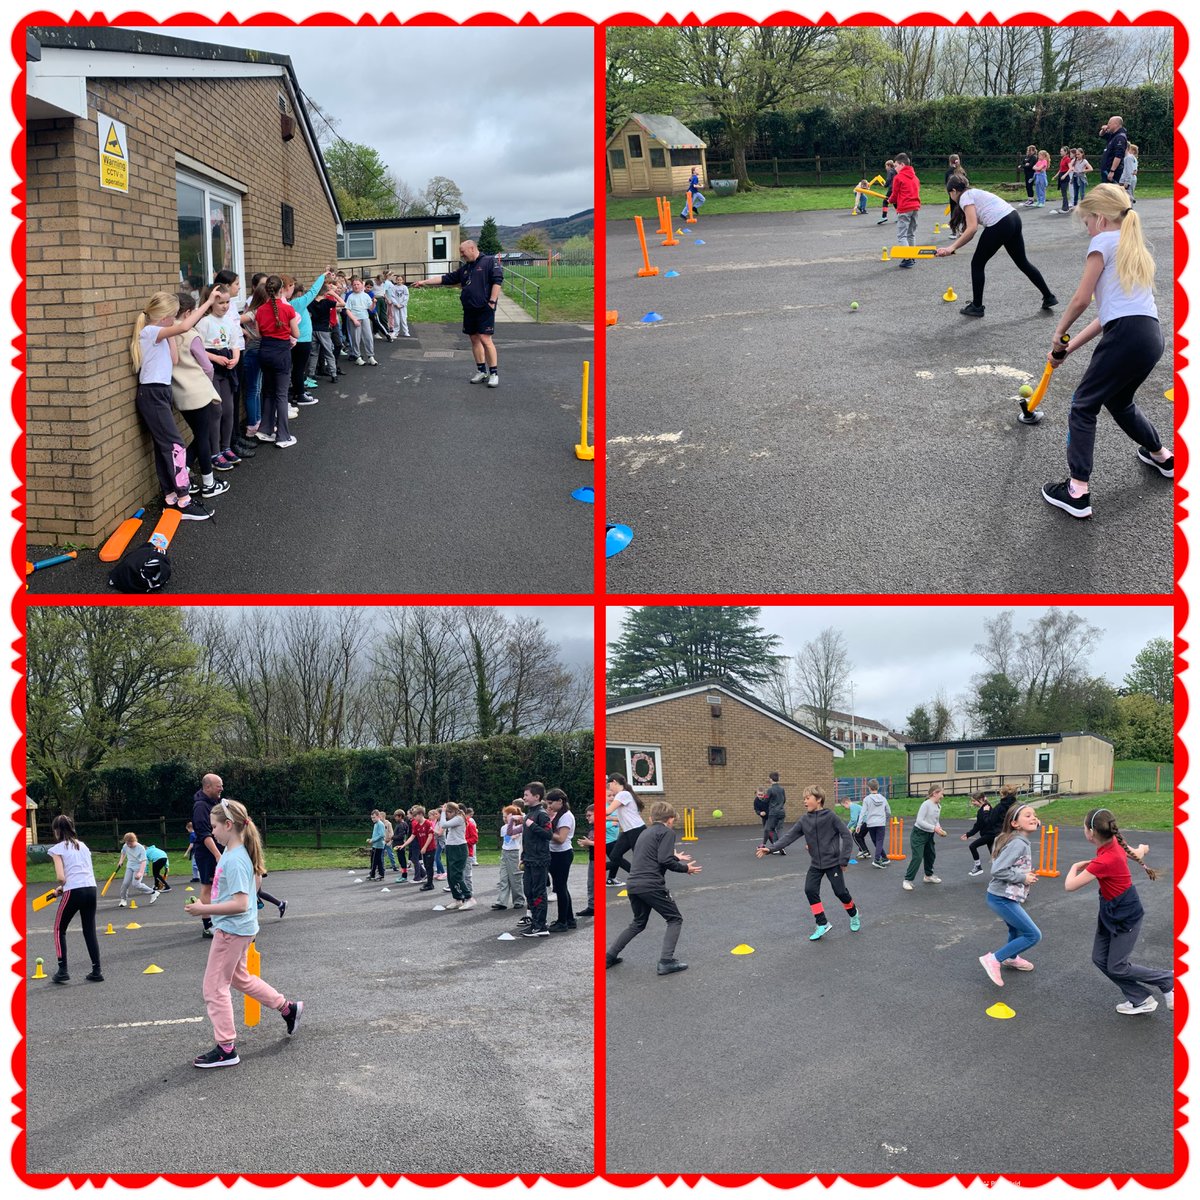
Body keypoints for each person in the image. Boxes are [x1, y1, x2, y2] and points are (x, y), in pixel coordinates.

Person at [1040, 184, 1172, 520]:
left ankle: (1077, 491)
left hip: (1125, 335)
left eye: (1086, 223)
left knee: (1084, 404)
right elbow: (1106, 315)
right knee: (1119, 400)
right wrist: (1068, 348)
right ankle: (1162, 456)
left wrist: (1059, 332)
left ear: (1099, 219)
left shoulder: (1101, 243)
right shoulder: (1131, 246)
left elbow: (1082, 300)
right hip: (1150, 336)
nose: (1087, 230)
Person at [185, 797, 303, 1067]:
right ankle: (288, 1008)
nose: (211, 831)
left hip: (232, 931)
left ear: (228, 825)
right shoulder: (233, 852)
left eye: (214, 826)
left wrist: (206, 909)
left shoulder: (236, 858)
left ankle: (227, 1048)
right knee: (240, 978)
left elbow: (241, 903)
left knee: (214, 988)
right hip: (238, 929)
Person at [1064, 807, 1174, 1015]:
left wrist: (1074, 866)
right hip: (1110, 910)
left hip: (1126, 913)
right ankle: (1140, 999)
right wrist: (1142, 849)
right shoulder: (1114, 844)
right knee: (1099, 959)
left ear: (1090, 832)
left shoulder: (1103, 861)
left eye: (1083, 826)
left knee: (1117, 966)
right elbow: (1135, 853)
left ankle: (1167, 979)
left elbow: (1070, 886)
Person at [129, 288, 220, 519]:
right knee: (176, 445)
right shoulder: (150, 331)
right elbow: (184, 326)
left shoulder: (161, 333)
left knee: (166, 447)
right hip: (152, 394)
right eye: (174, 314)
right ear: (164, 316)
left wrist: (170, 335)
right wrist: (208, 301)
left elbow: (175, 359)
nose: (177, 318)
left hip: (160, 393)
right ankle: (183, 499)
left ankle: (171, 496)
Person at [936, 174, 1058, 318]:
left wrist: (952, 248)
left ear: (954, 191)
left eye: (950, 194)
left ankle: (976, 306)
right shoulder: (975, 193)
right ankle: (1049, 296)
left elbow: (972, 228)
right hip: (1013, 217)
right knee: (1022, 262)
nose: (951, 197)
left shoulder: (965, 197)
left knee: (977, 264)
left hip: (1000, 223)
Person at [606, 800, 700, 975]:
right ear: (671, 819)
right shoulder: (667, 832)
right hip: (651, 884)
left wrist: (674, 856)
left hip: (633, 883)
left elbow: (652, 855)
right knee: (674, 919)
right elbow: (664, 860)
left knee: (638, 922)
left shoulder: (645, 833)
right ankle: (666, 961)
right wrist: (685, 868)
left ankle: (609, 956)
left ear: (650, 818)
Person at [757, 784, 860, 941]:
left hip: (832, 862)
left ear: (818, 800)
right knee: (810, 890)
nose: (804, 801)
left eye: (807, 798)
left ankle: (854, 914)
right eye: (803, 799)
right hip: (816, 863)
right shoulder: (804, 820)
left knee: (840, 892)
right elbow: (789, 836)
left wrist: (843, 859)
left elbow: (846, 836)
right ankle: (822, 923)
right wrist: (771, 849)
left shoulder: (830, 817)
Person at [412, 240, 504, 388]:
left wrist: (492, 302)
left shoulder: (489, 262)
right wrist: (424, 282)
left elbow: (497, 281)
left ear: (472, 248)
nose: (461, 255)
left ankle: (494, 373)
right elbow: (445, 278)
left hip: (484, 308)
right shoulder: (465, 268)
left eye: (463, 252)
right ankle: (481, 371)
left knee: (485, 339)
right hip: (469, 310)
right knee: (474, 339)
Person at [169, 290, 228, 503]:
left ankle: (183, 474)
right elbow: (207, 366)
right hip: (199, 393)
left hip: (179, 394)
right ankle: (209, 484)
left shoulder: (167, 332)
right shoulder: (191, 335)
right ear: (187, 313)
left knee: (198, 434)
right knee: (203, 437)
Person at [978, 802, 1042, 986]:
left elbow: (1011, 866)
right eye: (1028, 816)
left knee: (1015, 929)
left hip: (1005, 896)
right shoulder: (1018, 843)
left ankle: (1011, 957)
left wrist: (1024, 874)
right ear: (1015, 823)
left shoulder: (1015, 838)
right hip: (1001, 898)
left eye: (1035, 815)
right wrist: (1023, 877)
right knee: (1033, 935)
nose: (1034, 818)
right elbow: (997, 870)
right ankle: (995, 959)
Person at [47, 814, 103, 984]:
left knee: (59, 929)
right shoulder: (84, 846)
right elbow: (82, 869)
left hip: (73, 891)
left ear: (57, 830)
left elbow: (61, 877)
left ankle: (62, 969)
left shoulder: (57, 849)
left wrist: (61, 888)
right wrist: (64, 887)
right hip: (90, 888)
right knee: (89, 930)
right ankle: (96, 970)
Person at [196, 283, 244, 468]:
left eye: (227, 302)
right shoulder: (204, 322)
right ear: (210, 303)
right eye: (221, 303)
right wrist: (215, 357)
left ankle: (226, 447)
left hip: (227, 368)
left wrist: (236, 359)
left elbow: (235, 344)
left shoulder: (229, 322)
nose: (225, 306)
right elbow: (196, 348)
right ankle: (214, 452)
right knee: (215, 411)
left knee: (229, 410)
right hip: (212, 369)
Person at [251, 275, 299, 449]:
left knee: (268, 392)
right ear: (281, 290)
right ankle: (283, 436)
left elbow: (258, 334)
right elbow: (296, 334)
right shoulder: (287, 309)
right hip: (281, 352)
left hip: (264, 351)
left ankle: (265, 430)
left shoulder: (260, 310)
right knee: (281, 394)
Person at [191, 773, 224, 938]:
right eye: (219, 785)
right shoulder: (201, 807)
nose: (222, 788)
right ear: (208, 787)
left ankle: (219, 918)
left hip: (218, 850)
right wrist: (218, 855)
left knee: (220, 885)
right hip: (207, 854)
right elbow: (204, 834)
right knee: (208, 887)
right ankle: (207, 925)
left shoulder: (216, 802)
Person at [520, 781, 554, 937]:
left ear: (537, 796)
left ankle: (541, 926)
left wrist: (529, 823)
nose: (524, 798)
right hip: (529, 858)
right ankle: (535, 922)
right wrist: (523, 856)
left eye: (527, 795)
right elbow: (527, 838)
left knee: (539, 892)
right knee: (528, 890)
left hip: (540, 858)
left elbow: (548, 834)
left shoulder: (541, 814)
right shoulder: (529, 813)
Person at [902, 785, 947, 890]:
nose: (942, 796)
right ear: (934, 793)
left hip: (929, 834)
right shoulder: (926, 804)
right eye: (941, 793)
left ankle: (928, 876)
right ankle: (907, 880)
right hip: (919, 834)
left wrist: (939, 829)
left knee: (931, 855)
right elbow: (919, 821)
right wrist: (934, 828)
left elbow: (936, 820)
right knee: (917, 857)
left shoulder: (938, 806)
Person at [605, 773, 646, 884]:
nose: (609, 789)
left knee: (640, 857)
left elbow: (607, 811)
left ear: (614, 782)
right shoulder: (623, 795)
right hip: (628, 831)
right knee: (615, 856)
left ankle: (645, 879)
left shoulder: (623, 794)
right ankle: (636, 875)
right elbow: (617, 816)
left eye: (609, 785)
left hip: (637, 830)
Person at [547, 788, 576, 932]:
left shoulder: (566, 817)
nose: (549, 806)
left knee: (560, 888)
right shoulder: (558, 815)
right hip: (556, 854)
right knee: (561, 887)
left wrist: (545, 831)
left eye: (551, 802)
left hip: (562, 854)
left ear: (560, 801)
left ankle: (562, 921)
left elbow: (561, 839)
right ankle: (569, 919)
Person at [438, 802, 475, 911]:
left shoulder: (459, 818)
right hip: (451, 847)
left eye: (448, 813)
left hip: (459, 848)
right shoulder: (453, 819)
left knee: (456, 875)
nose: (447, 815)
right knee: (450, 875)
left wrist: (443, 812)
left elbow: (443, 824)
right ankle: (458, 899)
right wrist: (444, 813)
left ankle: (469, 898)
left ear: (453, 812)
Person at [890, 152, 922, 268]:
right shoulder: (915, 177)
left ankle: (908, 258)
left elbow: (895, 194)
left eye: (896, 165)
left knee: (902, 235)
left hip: (904, 208)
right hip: (915, 208)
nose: (895, 168)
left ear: (902, 164)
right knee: (911, 234)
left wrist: (890, 200)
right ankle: (912, 256)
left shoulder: (898, 178)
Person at [493, 802, 525, 911]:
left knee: (515, 878)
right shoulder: (504, 827)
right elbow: (508, 836)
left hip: (514, 852)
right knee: (503, 878)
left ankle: (519, 900)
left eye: (505, 816)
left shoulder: (520, 826)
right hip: (505, 852)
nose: (504, 818)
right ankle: (501, 901)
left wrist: (514, 821)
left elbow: (515, 835)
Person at [857, 779, 892, 867]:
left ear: (869, 788)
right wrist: (885, 819)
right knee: (879, 841)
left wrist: (859, 825)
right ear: (878, 787)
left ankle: (882, 858)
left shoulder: (867, 799)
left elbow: (863, 812)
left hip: (871, 823)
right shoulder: (883, 798)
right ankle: (880, 858)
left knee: (875, 841)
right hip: (880, 823)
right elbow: (888, 811)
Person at [117, 832, 158, 907]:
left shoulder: (140, 848)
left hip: (139, 867)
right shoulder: (126, 846)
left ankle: (153, 892)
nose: (129, 845)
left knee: (136, 884)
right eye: (127, 843)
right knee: (125, 883)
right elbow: (123, 853)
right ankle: (123, 899)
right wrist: (121, 861)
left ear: (134, 840)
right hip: (130, 866)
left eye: (130, 843)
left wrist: (140, 873)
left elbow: (144, 861)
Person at [962, 791, 995, 876]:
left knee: (972, 846)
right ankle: (1002, 873)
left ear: (980, 799)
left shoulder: (987, 808)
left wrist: (985, 812)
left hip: (990, 835)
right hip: (987, 835)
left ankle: (978, 867)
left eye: (974, 801)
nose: (973, 803)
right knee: (994, 856)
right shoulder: (981, 810)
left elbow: (988, 822)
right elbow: (978, 825)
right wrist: (968, 834)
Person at [761, 771, 788, 852]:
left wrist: (763, 797)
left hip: (773, 813)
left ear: (770, 779)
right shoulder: (782, 789)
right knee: (780, 829)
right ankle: (782, 846)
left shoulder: (770, 790)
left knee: (770, 829)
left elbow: (765, 800)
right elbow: (784, 800)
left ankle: (776, 846)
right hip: (782, 811)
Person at [1099, 115, 1129, 186]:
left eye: (1109, 123)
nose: (1107, 125)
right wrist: (1104, 130)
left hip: (1113, 172)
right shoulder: (1113, 135)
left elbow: (1118, 156)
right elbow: (1101, 135)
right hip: (1106, 170)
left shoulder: (1120, 137)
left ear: (1116, 124)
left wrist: (1112, 171)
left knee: (1112, 194)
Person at [578, 803, 596, 918]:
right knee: (591, 884)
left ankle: (593, 906)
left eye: (590, 815)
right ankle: (592, 906)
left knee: (593, 884)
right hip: (592, 858)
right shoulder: (592, 827)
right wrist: (587, 844)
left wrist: (589, 843)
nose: (587, 817)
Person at [367, 809, 387, 882]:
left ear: (378, 816)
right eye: (372, 818)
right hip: (375, 845)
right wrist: (371, 839)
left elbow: (381, 835)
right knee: (375, 860)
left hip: (379, 846)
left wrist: (373, 840)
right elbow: (375, 835)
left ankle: (374, 874)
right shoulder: (376, 824)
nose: (373, 819)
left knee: (375, 861)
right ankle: (376, 874)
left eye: (374, 817)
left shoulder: (380, 824)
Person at [1052, 146, 1073, 214]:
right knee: (1063, 192)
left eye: (1062, 151)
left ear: (1066, 152)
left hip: (1065, 177)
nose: (1060, 152)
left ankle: (1065, 208)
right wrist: (1055, 176)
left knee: (1064, 193)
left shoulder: (1067, 159)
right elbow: (1060, 169)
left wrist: (1065, 175)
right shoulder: (1062, 159)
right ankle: (1064, 207)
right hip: (1061, 175)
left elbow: (1070, 168)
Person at [877, 159, 896, 224]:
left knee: (885, 201)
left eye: (886, 166)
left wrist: (885, 185)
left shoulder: (890, 171)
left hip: (891, 188)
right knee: (894, 201)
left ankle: (884, 216)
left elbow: (888, 179)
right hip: (896, 188)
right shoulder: (895, 170)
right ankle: (899, 215)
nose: (885, 168)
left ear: (889, 165)